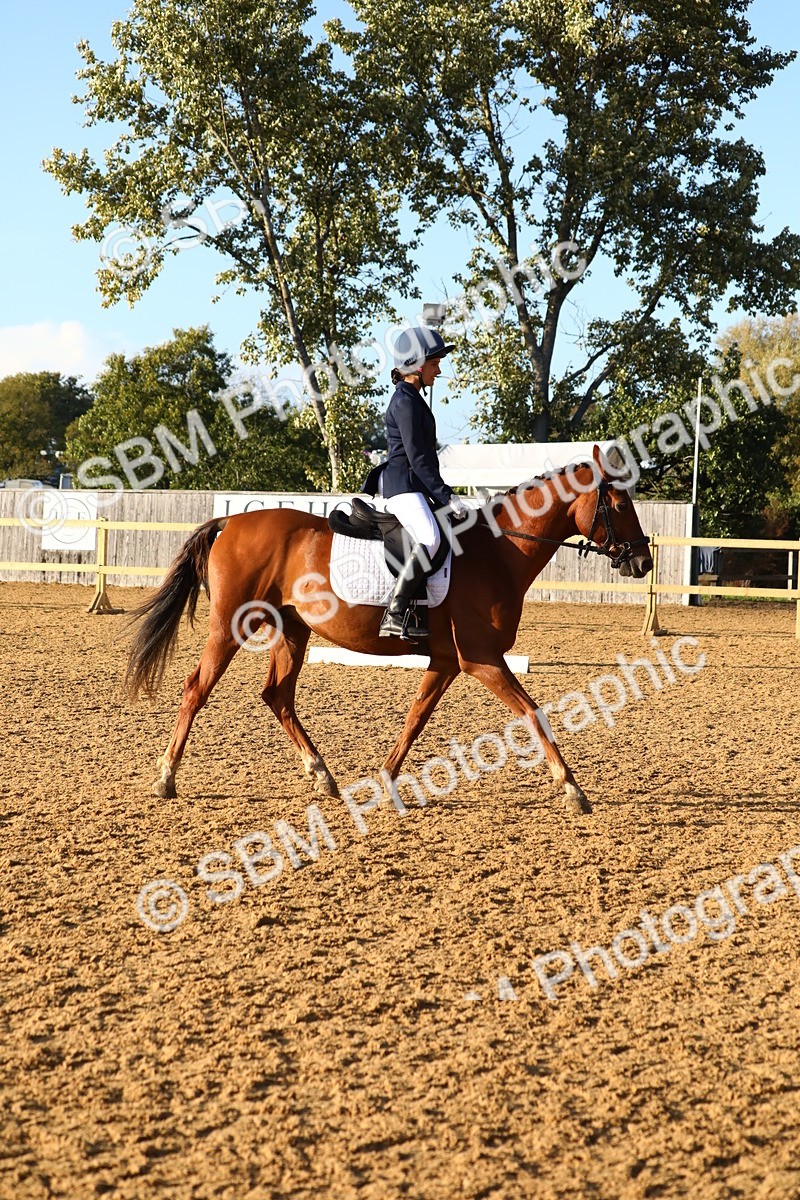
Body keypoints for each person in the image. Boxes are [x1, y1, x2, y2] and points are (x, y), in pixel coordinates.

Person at [362, 326, 470, 642]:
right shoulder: (405, 402)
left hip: (414, 486)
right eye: (435, 364)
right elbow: (418, 459)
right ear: (419, 366)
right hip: (402, 487)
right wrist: (447, 495)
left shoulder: (412, 398)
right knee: (429, 537)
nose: (439, 370)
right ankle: (393, 615)